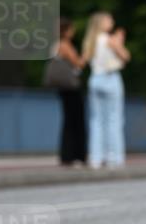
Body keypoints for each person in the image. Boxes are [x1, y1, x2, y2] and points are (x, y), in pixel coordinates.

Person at [82, 11, 131, 168]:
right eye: (109, 20)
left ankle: (96, 157)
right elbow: (125, 56)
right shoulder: (109, 39)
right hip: (110, 78)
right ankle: (114, 157)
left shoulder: (90, 41)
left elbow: (84, 60)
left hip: (95, 79)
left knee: (96, 121)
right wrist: (120, 42)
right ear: (102, 23)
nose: (112, 22)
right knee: (114, 119)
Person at [49, 18, 88, 165]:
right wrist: (86, 56)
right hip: (71, 88)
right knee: (76, 121)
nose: (73, 31)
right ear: (65, 31)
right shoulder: (64, 45)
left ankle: (67, 155)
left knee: (68, 120)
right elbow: (78, 63)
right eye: (71, 29)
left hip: (63, 88)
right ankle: (75, 155)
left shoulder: (55, 45)